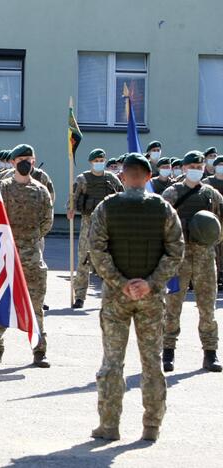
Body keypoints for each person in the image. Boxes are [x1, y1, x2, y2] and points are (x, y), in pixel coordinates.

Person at [89, 153, 183, 442]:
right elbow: (176, 251)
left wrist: (121, 283)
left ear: (123, 176)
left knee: (112, 364)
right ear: (148, 177)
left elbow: (97, 250)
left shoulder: (107, 208)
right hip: (151, 298)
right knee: (152, 364)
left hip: (117, 297)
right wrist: (151, 283)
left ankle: (109, 426)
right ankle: (151, 427)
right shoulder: (165, 209)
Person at [0, 144, 53, 368]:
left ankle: (39, 350)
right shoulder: (3, 188)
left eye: (29, 159)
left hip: (32, 254)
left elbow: (47, 221)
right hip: (6, 252)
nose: (26, 163)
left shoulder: (41, 190)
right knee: (1, 300)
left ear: (34, 162)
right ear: (13, 162)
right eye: (21, 159)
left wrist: (29, 239)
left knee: (36, 304)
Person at [161, 150, 223, 373]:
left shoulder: (211, 194)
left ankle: (210, 353)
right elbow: (162, 223)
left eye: (199, 167)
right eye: (192, 167)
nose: (196, 170)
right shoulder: (172, 193)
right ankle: (167, 352)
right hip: (179, 257)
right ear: (184, 168)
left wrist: (214, 239)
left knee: (207, 307)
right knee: (172, 305)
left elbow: (219, 221)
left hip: (205, 257)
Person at [68, 149, 124, 308]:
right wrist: (70, 210)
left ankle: (112, 295)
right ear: (91, 162)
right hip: (89, 221)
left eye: (101, 160)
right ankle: (79, 295)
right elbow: (72, 198)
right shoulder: (82, 179)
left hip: (108, 224)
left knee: (110, 260)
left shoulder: (112, 179)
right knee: (83, 259)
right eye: (96, 160)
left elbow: (121, 196)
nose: (99, 163)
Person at [203, 154, 223, 289]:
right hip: (212, 221)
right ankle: (215, 276)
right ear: (214, 167)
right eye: (220, 165)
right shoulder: (207, 183)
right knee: (213, 250)